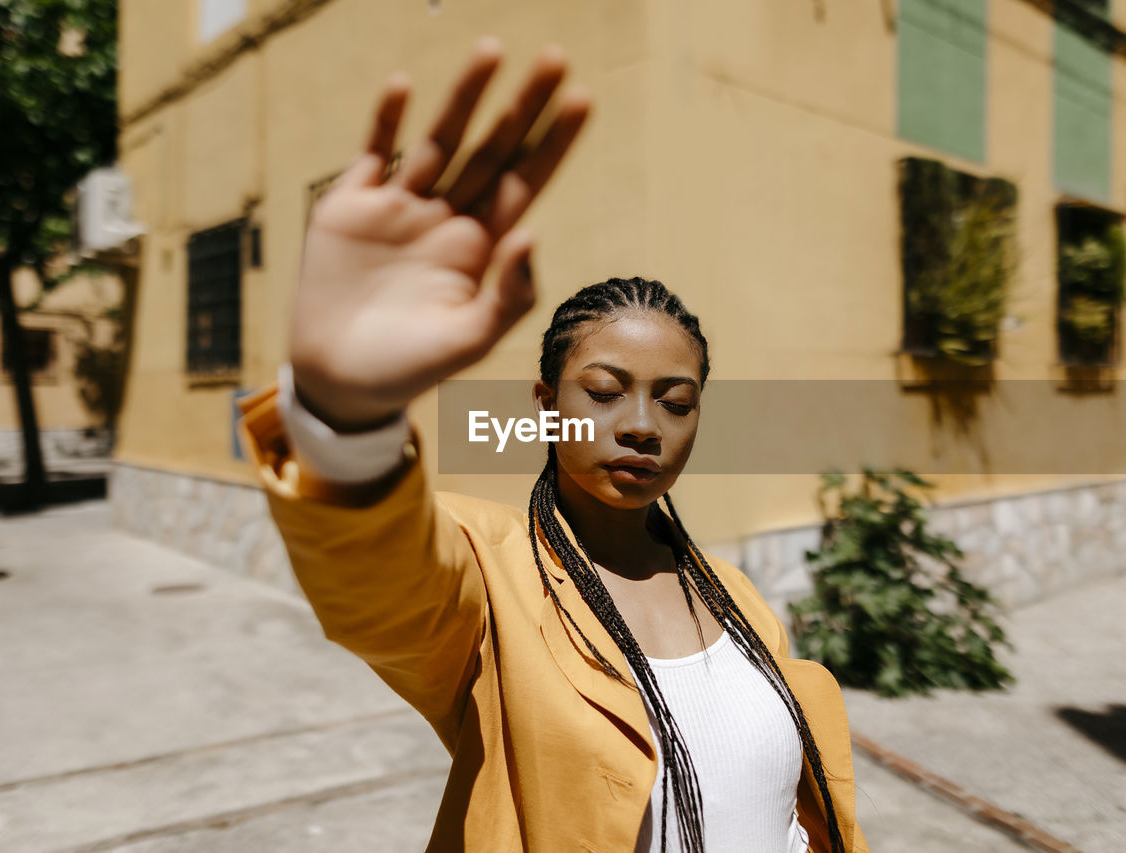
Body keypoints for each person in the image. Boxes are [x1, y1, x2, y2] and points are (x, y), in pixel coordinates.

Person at [237, 37, 869, 853]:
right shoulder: (486, 571)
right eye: (604, 392)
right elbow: (376, 584)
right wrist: (348, 411)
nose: (642, 423)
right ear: (546, 406)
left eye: (676, 401)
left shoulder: (739, 601)